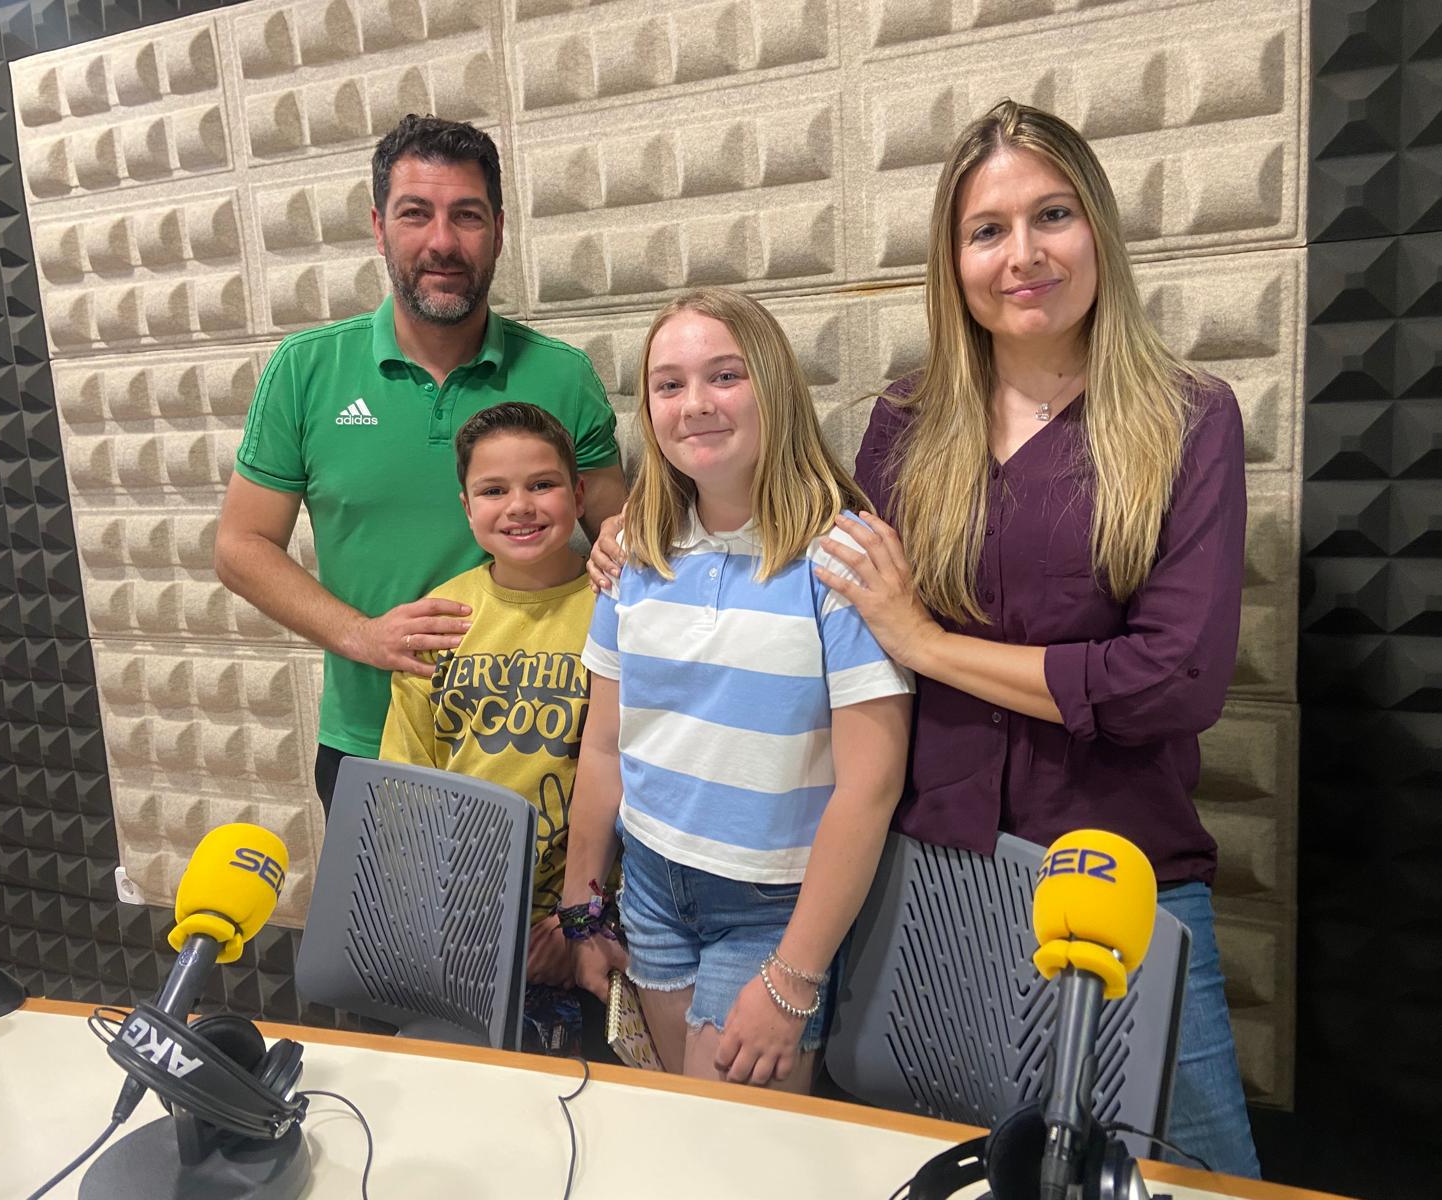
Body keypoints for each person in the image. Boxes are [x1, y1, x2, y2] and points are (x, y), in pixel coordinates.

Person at [821, 102, 1260, 1175]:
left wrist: (930, 645)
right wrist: (638, 536)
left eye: (1051, 215)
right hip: (934, 872)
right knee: (962, 1169)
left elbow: (1171, 681)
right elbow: (837, 616)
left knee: (1199, 1182)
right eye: (987, 230)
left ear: (1097, 228)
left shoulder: (1188, 417)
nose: (1022, 254)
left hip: (1118, 876)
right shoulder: (904, 424)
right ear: (953, 259)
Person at [214, 115, 626, 812]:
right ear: (379, 228)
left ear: (498, 229)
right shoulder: (306, 370)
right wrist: (363, 636)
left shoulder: (563, 376)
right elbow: (239, 547)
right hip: (369, 744)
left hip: (545, 750)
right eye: (415, 214)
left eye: (466, 215)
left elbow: (620, 538)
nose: (442, 241)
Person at [558, 287, 913, 1093]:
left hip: (772, 908)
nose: (695, 404)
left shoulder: (842, 558)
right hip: (652, 888)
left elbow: (871, 784)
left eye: (725, 375)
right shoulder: (633, 553)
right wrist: (585, 907)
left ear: (773, 386)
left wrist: (793, 978)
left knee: (733, 1143)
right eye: (669, 384)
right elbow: (604, 747)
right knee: (684, 1120)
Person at [380, 402, 595, 996]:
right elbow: (406, 785)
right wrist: (430, 912)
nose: (520, 506)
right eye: (494, 490)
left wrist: (586, 920)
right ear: (467, 508)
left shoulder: (619, 607)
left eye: (542, 484)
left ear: (579, 495)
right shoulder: (438, 619)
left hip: (578, 923)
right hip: (454, 918)